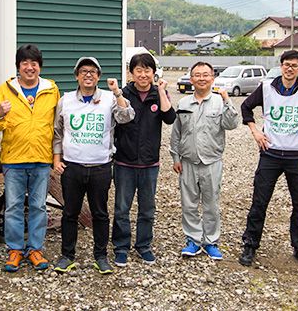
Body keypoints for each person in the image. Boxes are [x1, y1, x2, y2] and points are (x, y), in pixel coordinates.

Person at [239, 50, 298, 268]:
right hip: (271, 154)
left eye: (294, 66)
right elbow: (246, 107)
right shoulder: (267, 87)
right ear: (281, 65)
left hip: (297, 156)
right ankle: (250, 244)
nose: (289, 69)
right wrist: (255, 131)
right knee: (260, 201)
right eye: (286, 64)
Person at [52, 57, 134, 274]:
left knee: (100, 213)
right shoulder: (66, 100)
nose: (88, 75)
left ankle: (101, 256)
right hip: (72, 167)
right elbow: (57, 132)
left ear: (98, 76)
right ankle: (67, 255)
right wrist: (57, 159)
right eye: (83, 71)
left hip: (100, 167)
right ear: (76, 76)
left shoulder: (109, 98)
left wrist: (118, 92)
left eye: (93, 71)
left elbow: (126, 117)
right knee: (70, 213)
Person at [0, 44, 60, 272]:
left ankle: (35, 249)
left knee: (39, 206)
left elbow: (58, 124)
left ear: (40, 66)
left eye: (34, 63)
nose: (30, 68)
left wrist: (57, 155)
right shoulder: (6, 89)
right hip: (14, 159)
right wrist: (0, 113)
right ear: (18, 66)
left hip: (41, 158)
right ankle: (15, 249)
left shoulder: (51, 90)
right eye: (25, 63)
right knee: (13, 207)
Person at [170, 61, 239, 260]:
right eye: (197, 75)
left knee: (211, 204)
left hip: (212, 162)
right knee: (189, 204)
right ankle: (193, 240)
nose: (201, 78)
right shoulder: (184, 103)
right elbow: (176, 133)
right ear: (191, 79)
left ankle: (211, 241)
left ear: (212, 78)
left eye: (206, 75)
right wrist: (175, 157)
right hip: (188, 162)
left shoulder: (219, 101)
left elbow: (231, 124)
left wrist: (227, 101)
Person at [112, 52, 176, 267]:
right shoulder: (123, 93)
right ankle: (121, 247)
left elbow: (170, 118)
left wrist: (161, 91)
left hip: (149, 163)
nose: (143, 74)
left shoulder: (158, 94)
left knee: (147, 209)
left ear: (153, 72)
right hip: (124, 162)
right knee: (122, 208)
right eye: (138, 70)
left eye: (147, 70)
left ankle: (144, 246)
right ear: (131, 72)